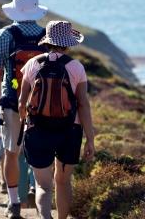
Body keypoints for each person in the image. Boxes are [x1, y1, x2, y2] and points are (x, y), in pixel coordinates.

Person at [18, 20, 95, 219]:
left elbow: (21, 102)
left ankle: (45, 217)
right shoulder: (76, 67)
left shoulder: (32, 64)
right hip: (69, 131)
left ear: (47, 41)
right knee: (62, 182)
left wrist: (25, 125)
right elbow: (83, 105)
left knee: (43, 185)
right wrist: (90, 139)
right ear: (68, 43)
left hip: (37, 130)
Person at [0, 0, 48, 219]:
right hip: (40, 103)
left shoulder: (5, 34)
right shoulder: (45, 34)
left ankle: (13, 204)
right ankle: (40, 194)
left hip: (12, 102)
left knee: (11, 153)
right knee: (40, 151)